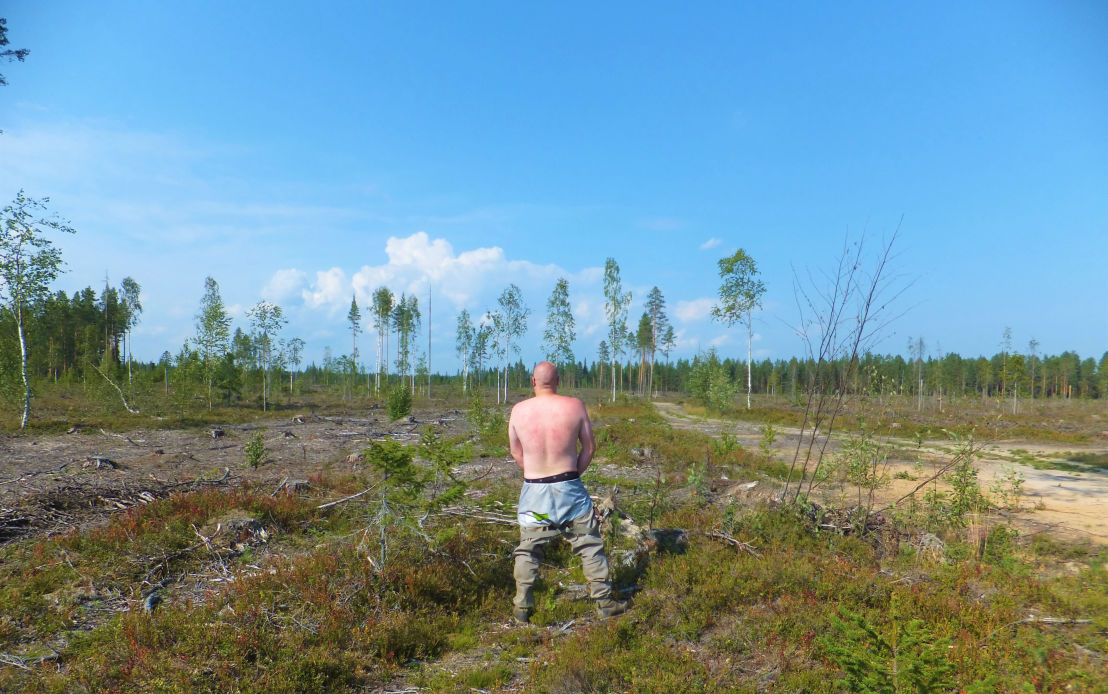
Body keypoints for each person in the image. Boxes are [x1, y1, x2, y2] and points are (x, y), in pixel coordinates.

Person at [507, 361, 628, 623]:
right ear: (558, 381)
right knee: (588, 543)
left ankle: (522, 607)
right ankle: (604, 602)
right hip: (569, 487)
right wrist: (572, 475)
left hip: (534, 492)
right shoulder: (574, 406)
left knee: (528, 549)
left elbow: (516, 452)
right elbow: (589, 448)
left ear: (533, 381)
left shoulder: (519, 410)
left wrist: (535, 475)